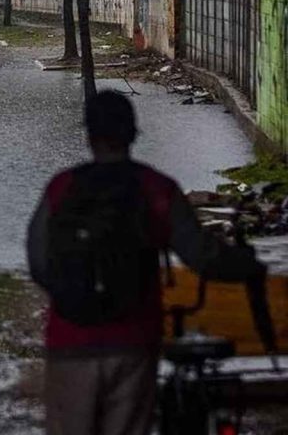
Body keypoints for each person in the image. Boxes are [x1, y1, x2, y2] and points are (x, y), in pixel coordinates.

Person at [25, 90, 256, 435]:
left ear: (89, 135)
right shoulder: (157, 189)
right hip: (133, 341)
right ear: (133, 133)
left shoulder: (61, 188)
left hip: (69, 340)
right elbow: (202, 256)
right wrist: (247, 265)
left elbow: (38, 262)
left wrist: (74, 295)